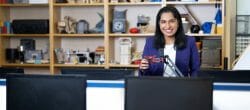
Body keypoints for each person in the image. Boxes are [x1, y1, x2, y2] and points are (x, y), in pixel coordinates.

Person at [139, 6, 200, 77]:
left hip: (181, 86)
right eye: (163, 22)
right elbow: (145, 73)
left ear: (178, 22)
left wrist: (192, 86)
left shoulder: (190, 41)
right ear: (159, 24)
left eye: (172, 21)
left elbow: (196, 70)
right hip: (156, 86)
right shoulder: (150, 42)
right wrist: (143, 68)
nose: (168, 26)